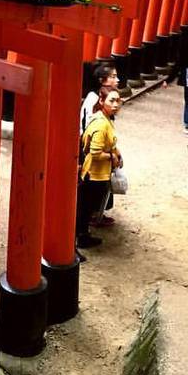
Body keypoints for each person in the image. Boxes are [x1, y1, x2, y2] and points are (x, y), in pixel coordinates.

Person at [77, 87, 122, 249]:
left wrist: (116, 152)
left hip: (95, 172)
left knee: (86, 207)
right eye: (112, 100)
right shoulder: (102, 124)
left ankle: (83, 235)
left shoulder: (104, 118)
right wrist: (112, 157)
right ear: (101, 101)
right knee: (85, 208)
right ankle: (81, 237)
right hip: (94, 173)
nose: (116, 104)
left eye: (118, 100)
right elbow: (95, 152)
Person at [80, 64, 119, 133]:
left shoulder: (111, 94)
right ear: (101, 80)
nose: (117, 80)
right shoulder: (93, 96)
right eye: (113, 77)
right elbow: (86, 122)